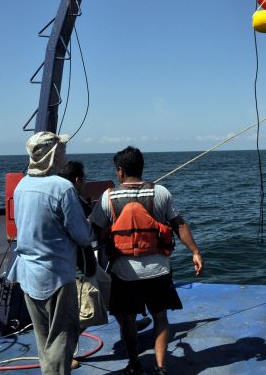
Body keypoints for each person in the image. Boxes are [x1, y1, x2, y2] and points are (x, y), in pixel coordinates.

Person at [89, 146, 204, 375]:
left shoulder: (108, 196)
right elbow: (179, 224)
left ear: (120, 171)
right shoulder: (161, 192)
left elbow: (92, 230)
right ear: (142, 168)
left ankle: (134, 364)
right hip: (159, 271)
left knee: (127, 319)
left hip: (123, 272)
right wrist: (195, 252)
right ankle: (161, 368)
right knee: (160, 317)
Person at [7, 132, 93, 375]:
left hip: (27, 273)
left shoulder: (22, 185)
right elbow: (82, 235)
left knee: (44, 338)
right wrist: (89, 223)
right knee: (63, 336)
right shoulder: (63, 187)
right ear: (54, 155)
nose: (65, 153)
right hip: (55, 276)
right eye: (62, 148)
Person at [59, 160, 97, 277]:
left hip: (80, 265)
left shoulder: (61, 200)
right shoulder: (75, 203)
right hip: (81, 270)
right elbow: (82, 236)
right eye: (84, 179)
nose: (85, 183)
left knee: (106, 283)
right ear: (77, 180)